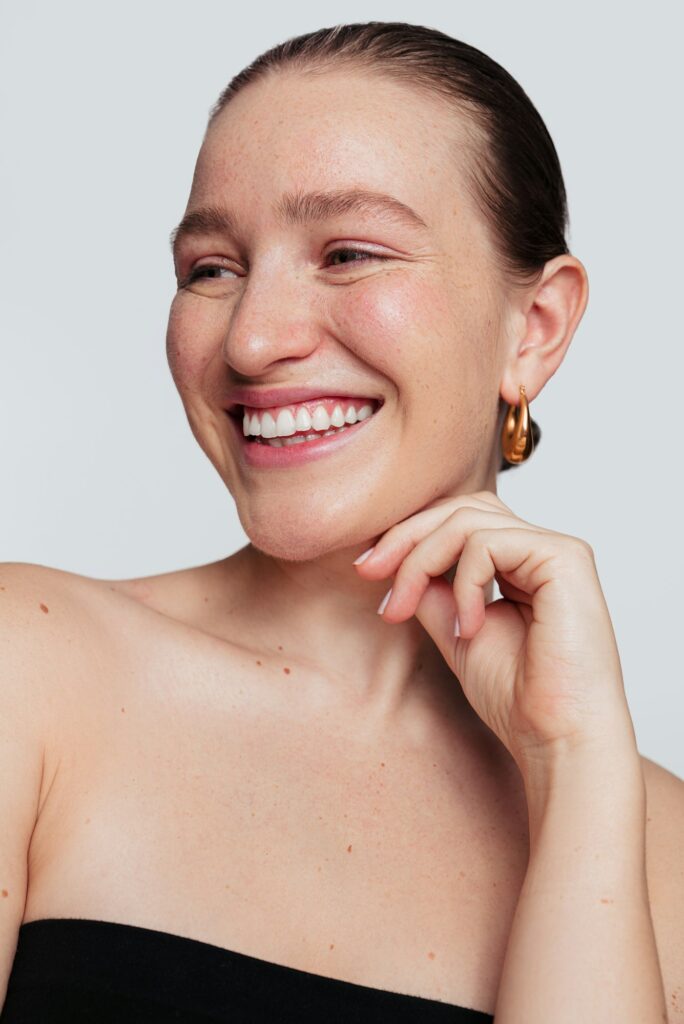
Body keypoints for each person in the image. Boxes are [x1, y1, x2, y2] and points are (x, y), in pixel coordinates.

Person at [0, 20, 681, 1023]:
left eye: (350, 253)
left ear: (534, 329)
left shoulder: (653, 839)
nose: (253, 337)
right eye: (211, 269)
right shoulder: (30, 666)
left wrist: (574, 764)